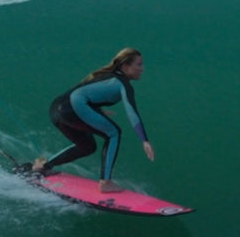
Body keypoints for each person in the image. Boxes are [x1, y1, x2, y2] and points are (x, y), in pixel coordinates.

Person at [31, 47, 155, 193]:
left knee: (87, 146)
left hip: (57, 110)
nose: (142, 69)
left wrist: (96, 110)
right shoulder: (122, 84)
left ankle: (43, 167)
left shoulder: (105, 76)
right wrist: (144, 139)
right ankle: (106, 183)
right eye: (139, 65)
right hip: (72, 108)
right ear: (126, 66)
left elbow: (85, 93)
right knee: (114, 133)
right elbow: (131, 111)